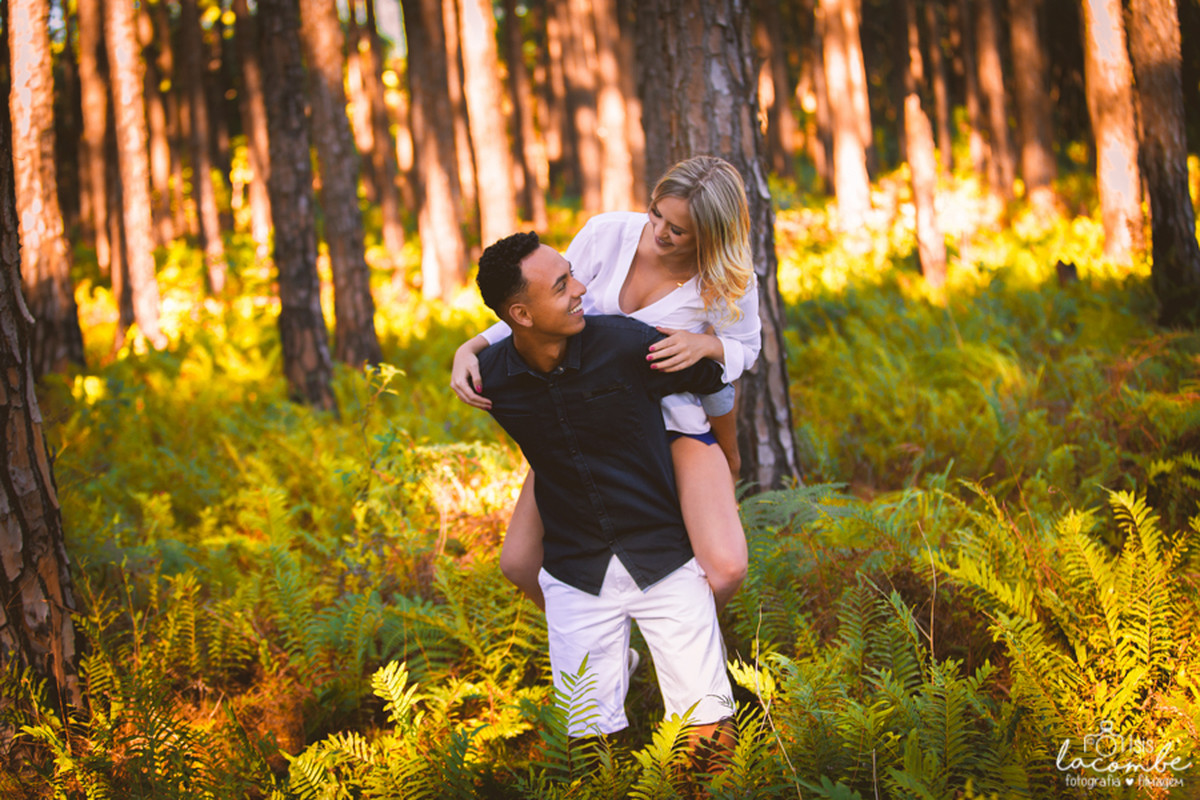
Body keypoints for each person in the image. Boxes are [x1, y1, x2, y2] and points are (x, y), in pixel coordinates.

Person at [451, 156, 760, 613]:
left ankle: (681, 635)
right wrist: (472, 346)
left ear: (711, 235)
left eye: (678, 230)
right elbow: (544, 304)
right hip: (582, 416)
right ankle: (611, 644)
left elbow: (745, 348)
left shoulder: (725, 278)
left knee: (728, 566)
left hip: (668, 421)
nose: (659, 233)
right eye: (657, 213)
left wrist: (706, 346)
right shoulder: (608, 233)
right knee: (517, 562)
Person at [473, 230, 736, 752]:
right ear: (521, 315)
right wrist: (468, 351)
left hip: (663, 558)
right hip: (576, 574)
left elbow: (713, 378)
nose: (581, 289)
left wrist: (728, 455)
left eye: (572, 274)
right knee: (589, 751)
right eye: (562, 285)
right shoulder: (490, 382)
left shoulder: (626, 343)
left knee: (709, 737)